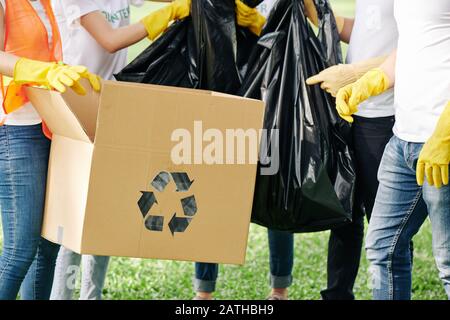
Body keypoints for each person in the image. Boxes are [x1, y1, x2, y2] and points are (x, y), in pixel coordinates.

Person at [193, 0, 344, 301]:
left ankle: (279, 290)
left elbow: (301, 29)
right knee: (214, 194)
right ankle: (204, 291)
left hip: (275, 102)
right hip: (229, 97)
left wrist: (261, 25)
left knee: (277, 192)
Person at [49, 0, 191, 300]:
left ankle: (92, 296)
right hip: (78, 106)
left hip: (112, 106)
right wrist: (165, 15)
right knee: (76, 222)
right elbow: (110, 41)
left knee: (105, 217)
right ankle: (61, 296)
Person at [335, 0, 450, 300]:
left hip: (442, 144)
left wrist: (445, 134)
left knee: (448, 263)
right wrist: (370, 82)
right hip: (402, 141)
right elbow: (413, 44)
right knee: (383, 249)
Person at [0, 0, 99, 300]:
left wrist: (66, 73)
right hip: (16, 130)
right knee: (20, 249)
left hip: (50, 124)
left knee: (48, 245)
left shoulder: (44, 2)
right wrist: (39, 71)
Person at [306, 0, 398, 299]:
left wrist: (355, 73)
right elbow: (363, 30)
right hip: (348, 112)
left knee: (385, 224)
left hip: (384, 116)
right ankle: (337, 294)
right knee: (345, 213)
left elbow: (419, 46)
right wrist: (311, 7)